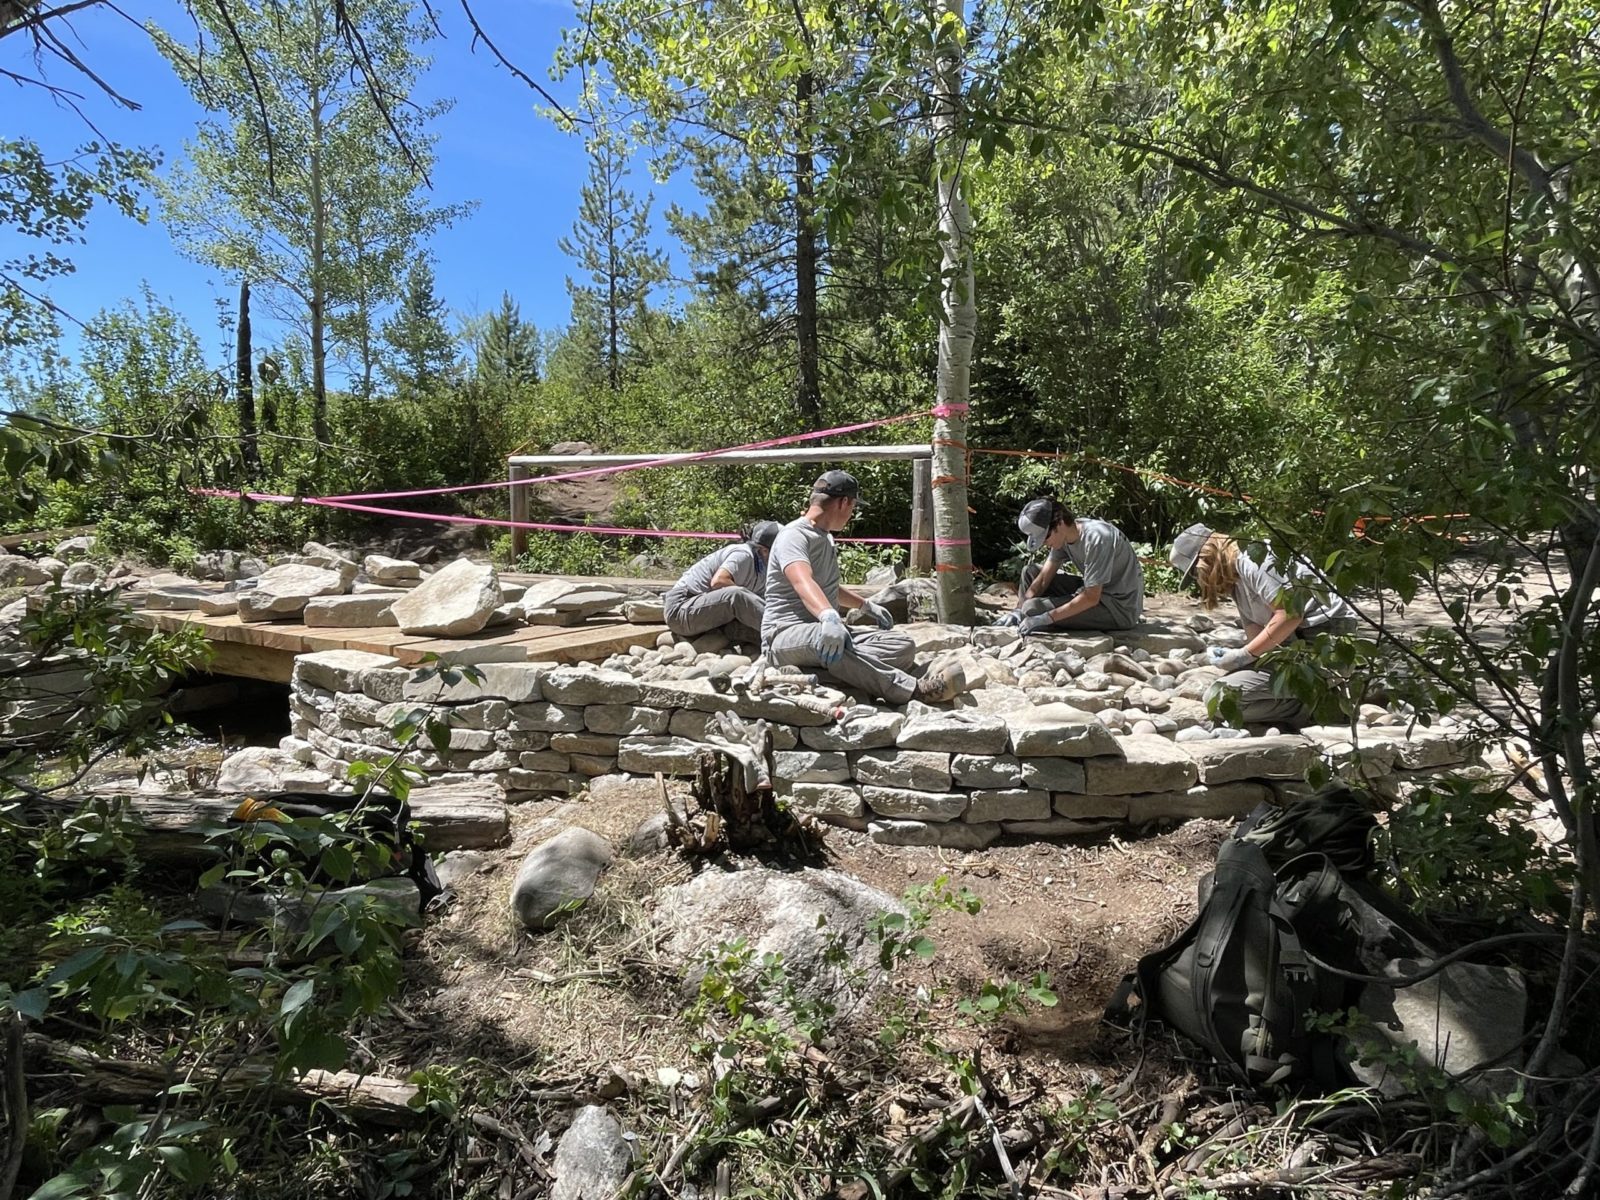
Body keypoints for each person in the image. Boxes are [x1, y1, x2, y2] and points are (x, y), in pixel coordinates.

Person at [762, 470, 969, 704]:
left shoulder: (825, 537)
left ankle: (824, 675)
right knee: (831, 640)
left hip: (822, 634)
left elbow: (829, 587)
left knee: (902, 646)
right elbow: (802, 581)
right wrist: (829, 616)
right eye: (853, 507)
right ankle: (913, 691)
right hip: (784, 637)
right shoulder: (794, 536)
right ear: (843, 502)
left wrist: (866, 605)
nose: (852, 513)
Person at [1169, 523, 1358, 726]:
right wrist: (1238, 657)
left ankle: (1321, 707)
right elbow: (1254, 629)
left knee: (1224, 698)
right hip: (1296, 646)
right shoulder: (1236, 578)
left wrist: (1244, 656)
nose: (1199, 581)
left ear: (1204, 559)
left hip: (1324, 642)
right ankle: (1319, 698)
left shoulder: (1254, 559)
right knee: (1222, 693)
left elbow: (1291, 614)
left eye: (1194, 574)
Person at [998, 498, 1145, 632]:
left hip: (1118, 609)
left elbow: (1091, 597)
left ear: (1060, 523)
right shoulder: (1065, 536)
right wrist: (1017, 610)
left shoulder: (1097, 539)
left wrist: (1045, 617)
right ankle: (1024, 617)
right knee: (1030, 572)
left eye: (1045, 537)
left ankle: (1038, 618)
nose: (1044, 543)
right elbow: (1043, 579)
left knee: (1032, 608)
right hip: (1095, 592)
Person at [663, 520, 782, 645]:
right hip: (680, 611)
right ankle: (781, 632)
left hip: (703, 615)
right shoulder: (743, 554)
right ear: (764, 550)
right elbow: (719, 581)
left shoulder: (764, 568)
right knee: (736, 595)